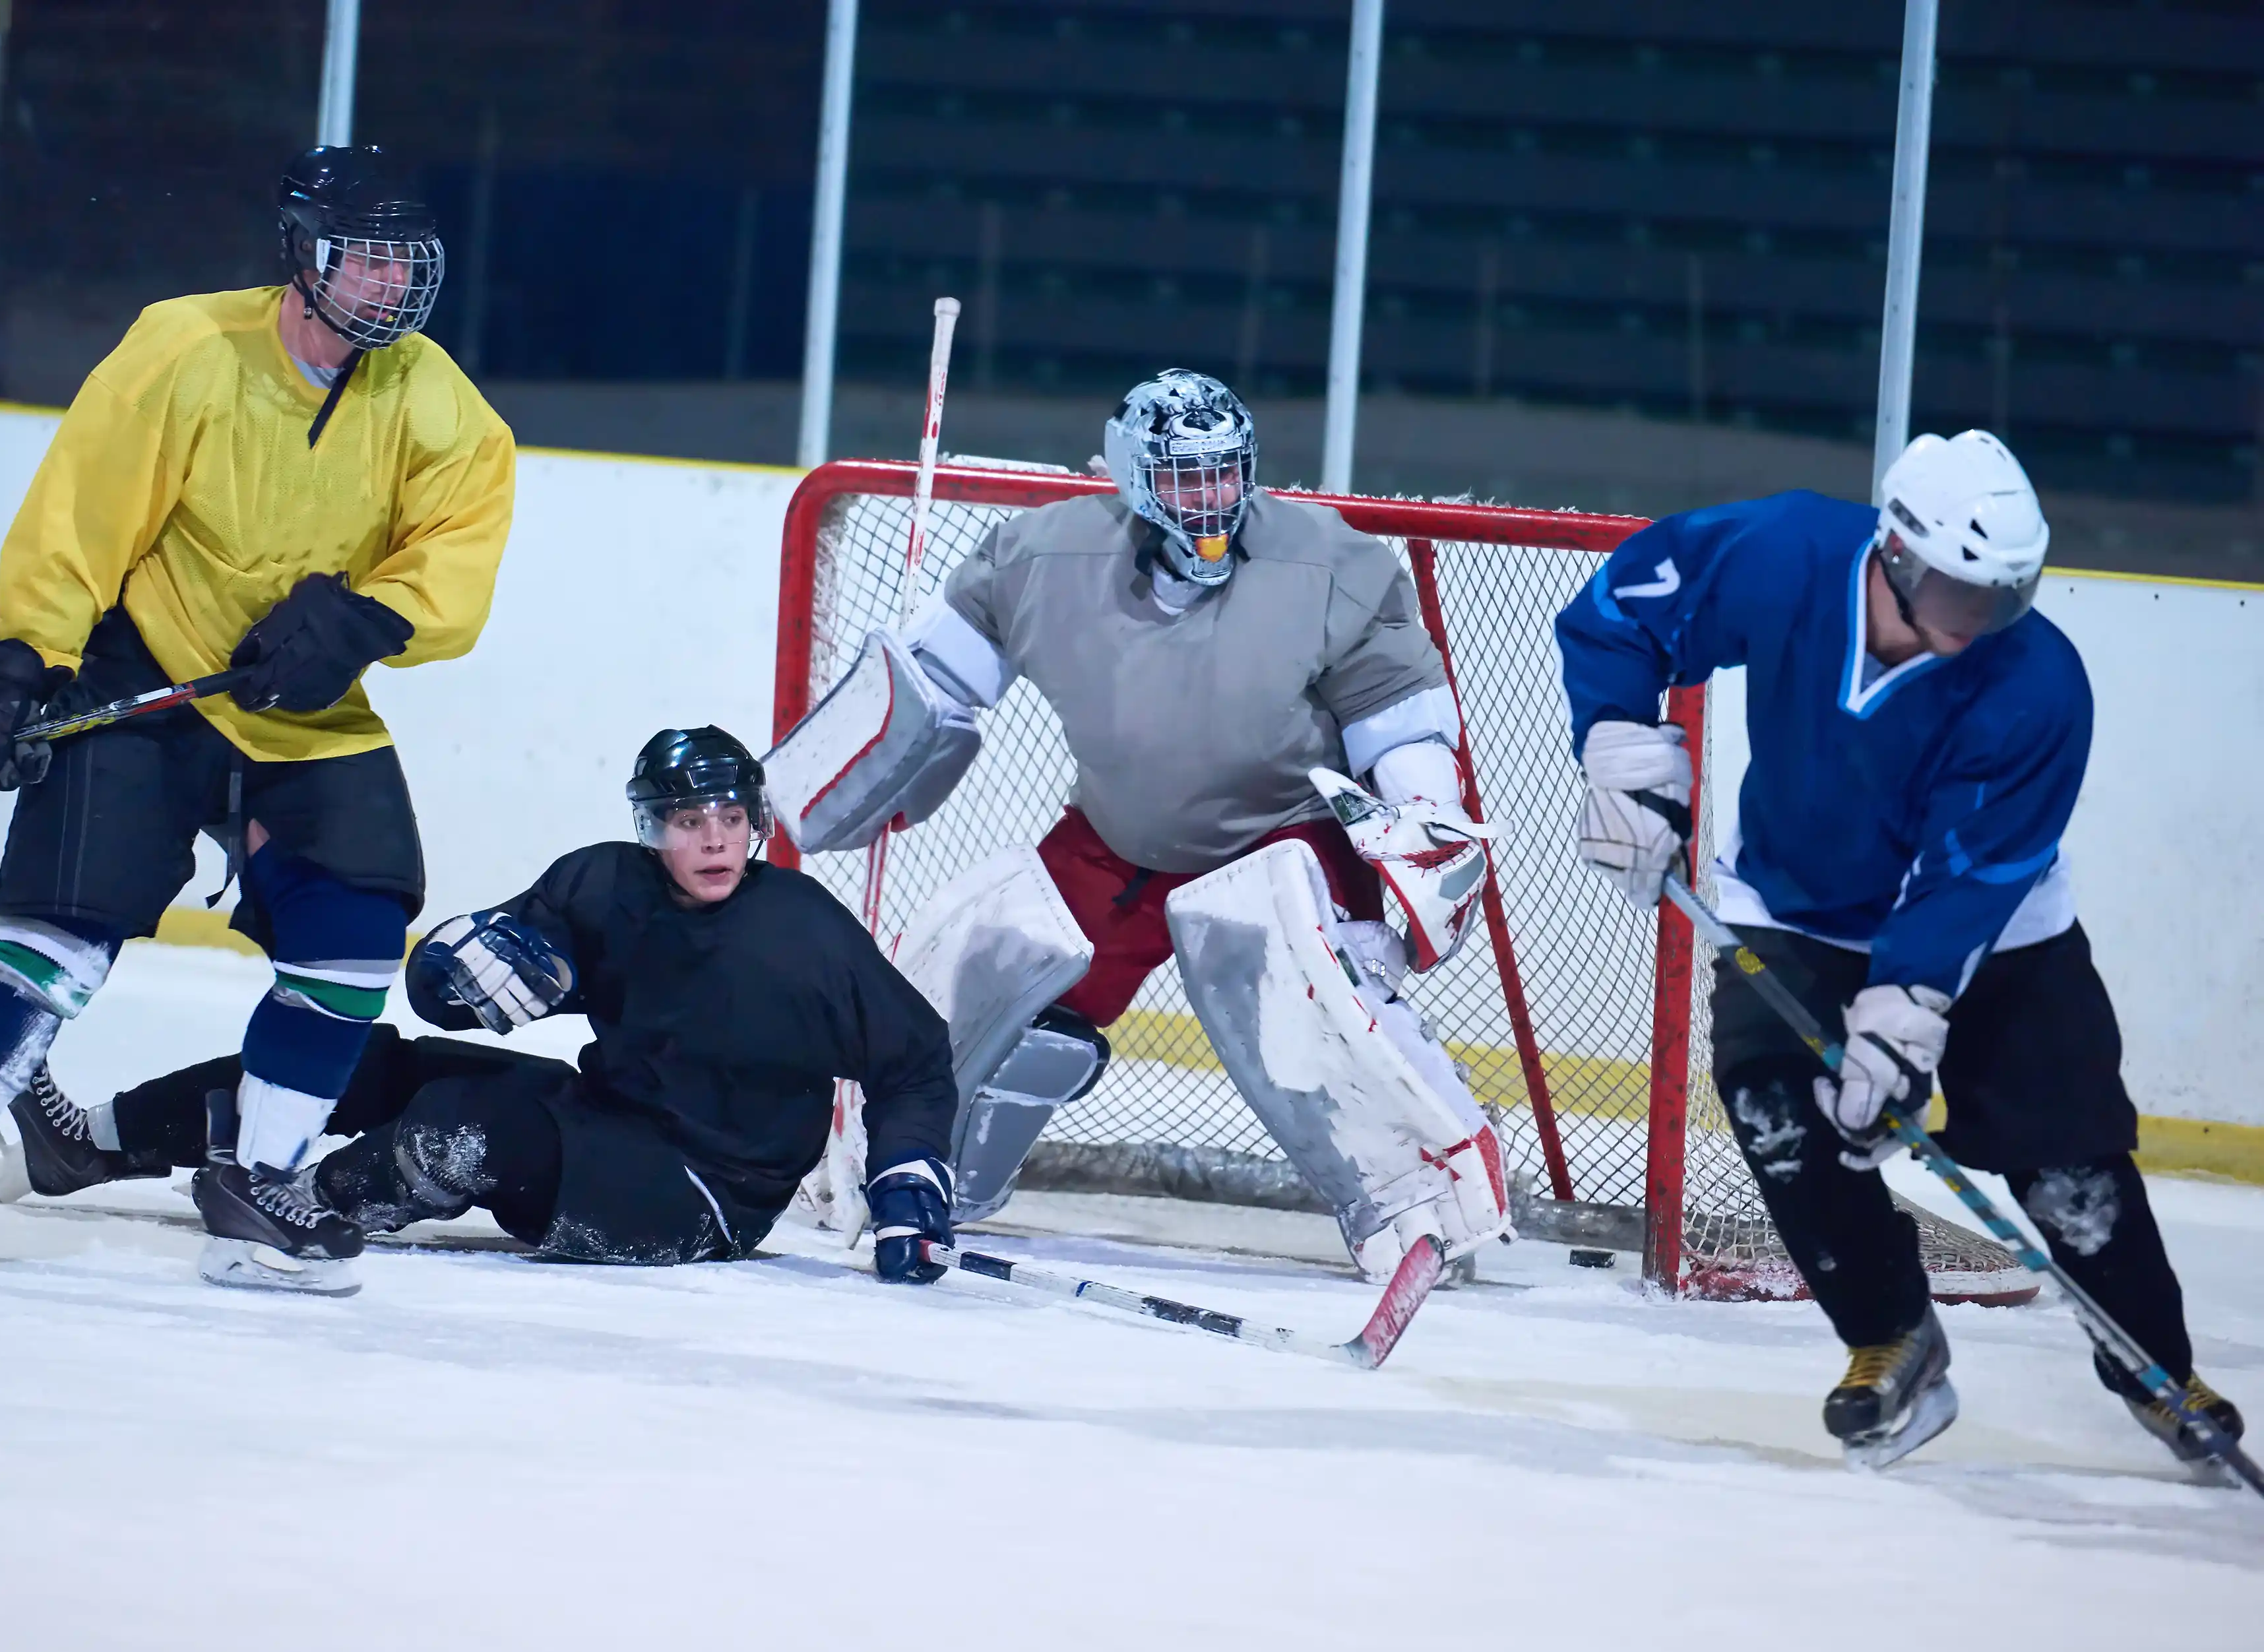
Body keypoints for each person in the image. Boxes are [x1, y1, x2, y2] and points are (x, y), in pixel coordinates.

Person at [0, 145, 517, 1296]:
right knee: (63, 931)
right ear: (306, 257)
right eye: (365, 258)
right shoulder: (187, 347)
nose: (390, 284)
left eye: (408, 259)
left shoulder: (437, 400)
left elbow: (454, 553)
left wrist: (366, 620)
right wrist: (19, 664)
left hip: (297, 702)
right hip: (144, 668)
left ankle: (259, 1179)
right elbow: (81, 511)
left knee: (355, 934)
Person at [1556, 428, 2241, 1469]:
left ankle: (2155, 1364)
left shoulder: (2040, 686)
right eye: (1967, 598)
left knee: (2069, 1169)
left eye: (2006, 600)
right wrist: (1623, 751)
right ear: (1899, 556)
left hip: (1999, 934)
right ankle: (1891, 1336)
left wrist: (1901, 1021)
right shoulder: (1783, 555)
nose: (1986, 626)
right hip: (1793, 898)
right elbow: (1623, 610)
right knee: (1778, 1108)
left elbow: (1968, 877)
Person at [765, 369, 1509, 1288]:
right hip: (1119, 838)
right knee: (996, 991)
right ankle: (916, 1167)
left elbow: (1394, 708)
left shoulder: (1330, 564)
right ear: (1130, 477)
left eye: (1227, 473)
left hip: (1284, 835)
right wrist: (882, 753)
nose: (1212, 499)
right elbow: (937, 683)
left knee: (1311, 1005)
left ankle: (1422, 1202)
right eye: (1185, 477)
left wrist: (1420, 816)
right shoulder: (1042, 560)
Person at [0, 728, 961, 1287]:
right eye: (686, 820)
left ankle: (298, 1210)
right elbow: (453, 987)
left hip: (706, 1196)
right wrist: (450, 980)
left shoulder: (805, 934)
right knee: (376, 1063)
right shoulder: (602, 885)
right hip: (612, 1118)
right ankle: (93, 1144)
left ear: (754, 824)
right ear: (649, 826)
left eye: (732, 820)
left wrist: (910, 1185)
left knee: (471, 1128)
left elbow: (914, 1061)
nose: (713, 840)